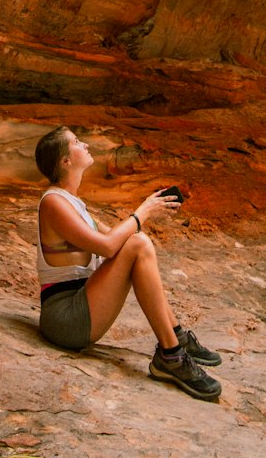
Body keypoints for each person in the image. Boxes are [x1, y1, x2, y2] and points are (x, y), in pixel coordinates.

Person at [34, 125, 223, 401]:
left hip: (78, 304)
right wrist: (142, 211)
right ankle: (171, 356)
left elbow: (111, 239)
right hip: (64, 319)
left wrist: (149, 211)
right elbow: (110, 246)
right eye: (76, 142)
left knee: (137, 243)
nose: (84, 144)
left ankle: (176, 337)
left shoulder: (72, 202)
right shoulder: (53, 202)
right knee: (138, 242)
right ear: (65, 161)